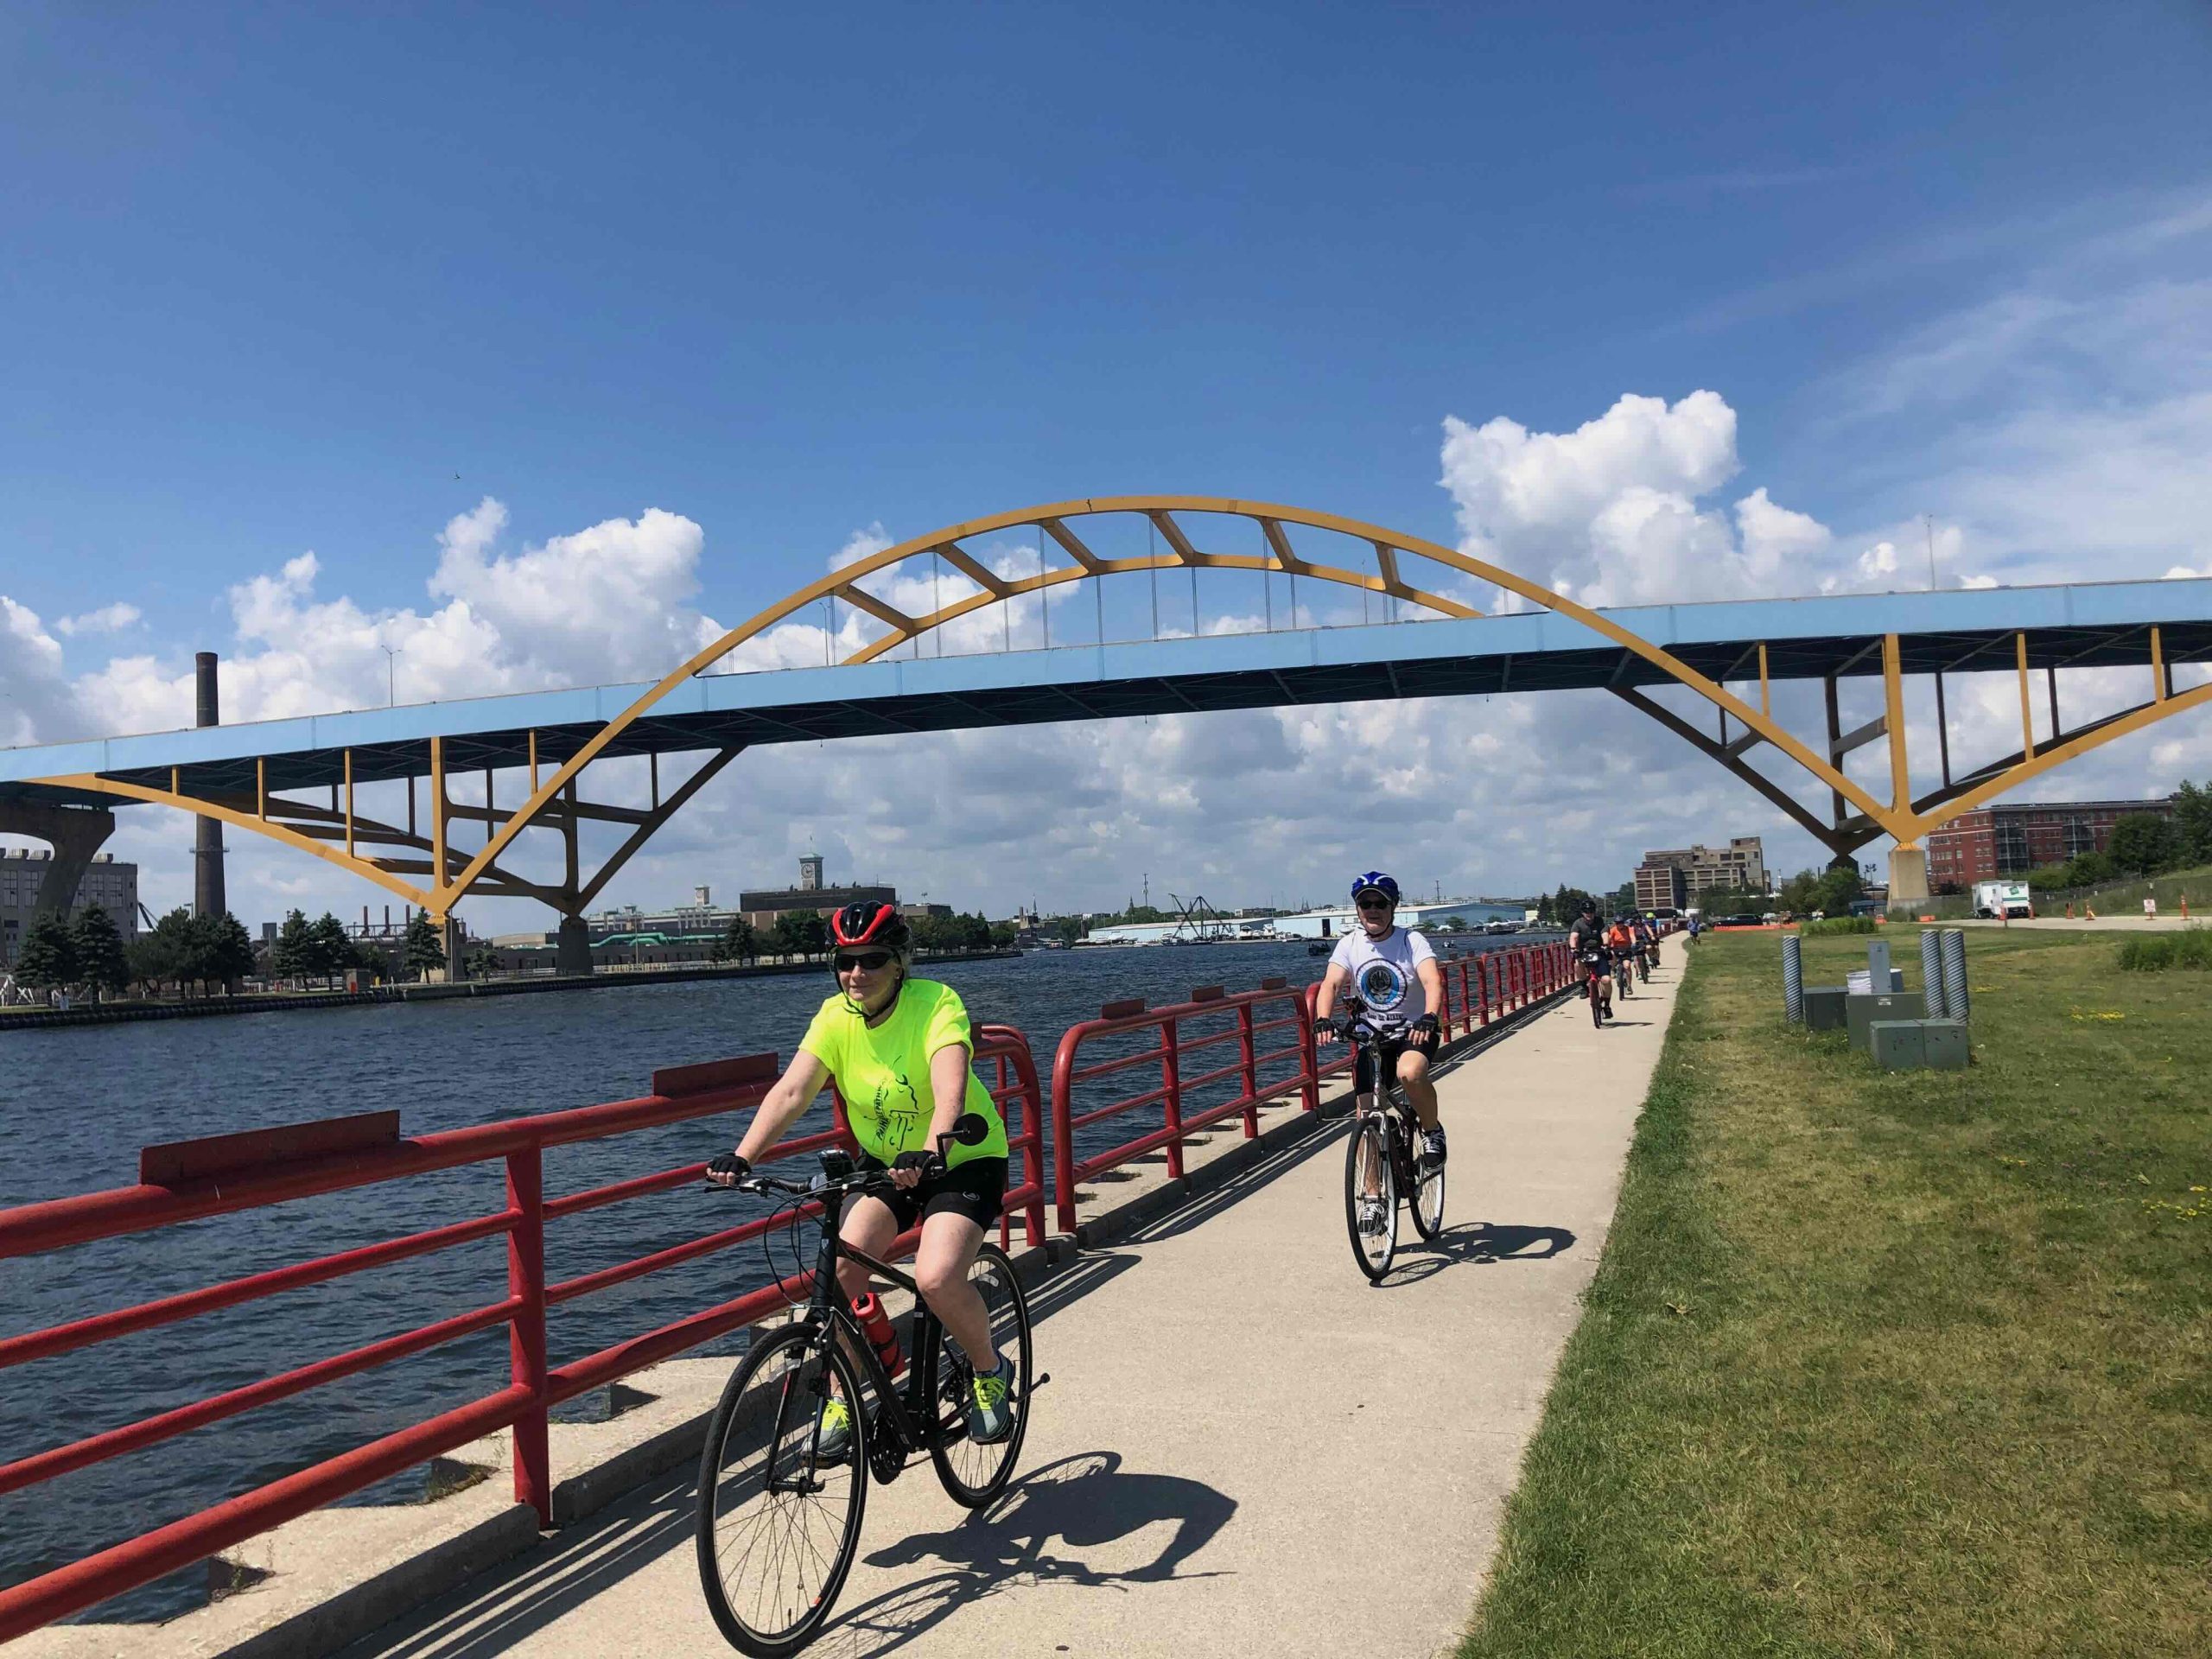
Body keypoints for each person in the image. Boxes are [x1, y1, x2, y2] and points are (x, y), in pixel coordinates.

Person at [706, 901, 1014, 1452]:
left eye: (872, 960)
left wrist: (930, 1148)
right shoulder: (833, 1017)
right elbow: (794, 1092)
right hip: (886, 1161)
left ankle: (990, 1371)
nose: (857, 974)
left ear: (900, 963)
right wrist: (744, 1154)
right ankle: (846, 1397)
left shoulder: (935, 1004)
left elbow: (950, 1087)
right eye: (845, 962)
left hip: (960, 1156)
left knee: (937, 1277)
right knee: (839, 1271)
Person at [1313, 873, 1447, 1226]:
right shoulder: (1350, 944)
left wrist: (1430, 1016)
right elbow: (1330, 983)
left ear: (1393, 907)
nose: (1373, 910)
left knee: (1410, 1072)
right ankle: (1373, 1198)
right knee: (1367, 1115)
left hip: (1413, 1031)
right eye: (1365, 904)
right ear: (1357, 908)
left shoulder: (1411, 941)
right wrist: (1323, 1018)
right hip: (1371, 1035)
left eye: (1380, 903)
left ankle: (1432, 1131)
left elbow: (1433, 980)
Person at [1567, 899, 1612, 1019]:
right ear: (1582, 912)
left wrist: (1606, 944)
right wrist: (1573, 947)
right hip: (1584, 952)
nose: (1589, 913)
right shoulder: (1578, 923)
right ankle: (1583, 987)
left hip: (1599, 951)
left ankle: (1607, 1005)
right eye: (1586, 911)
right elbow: (1574, 936)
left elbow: (1605, 934)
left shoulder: (1600, 921)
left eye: (1591, 911)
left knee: (1606, 980)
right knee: (1577, 964)